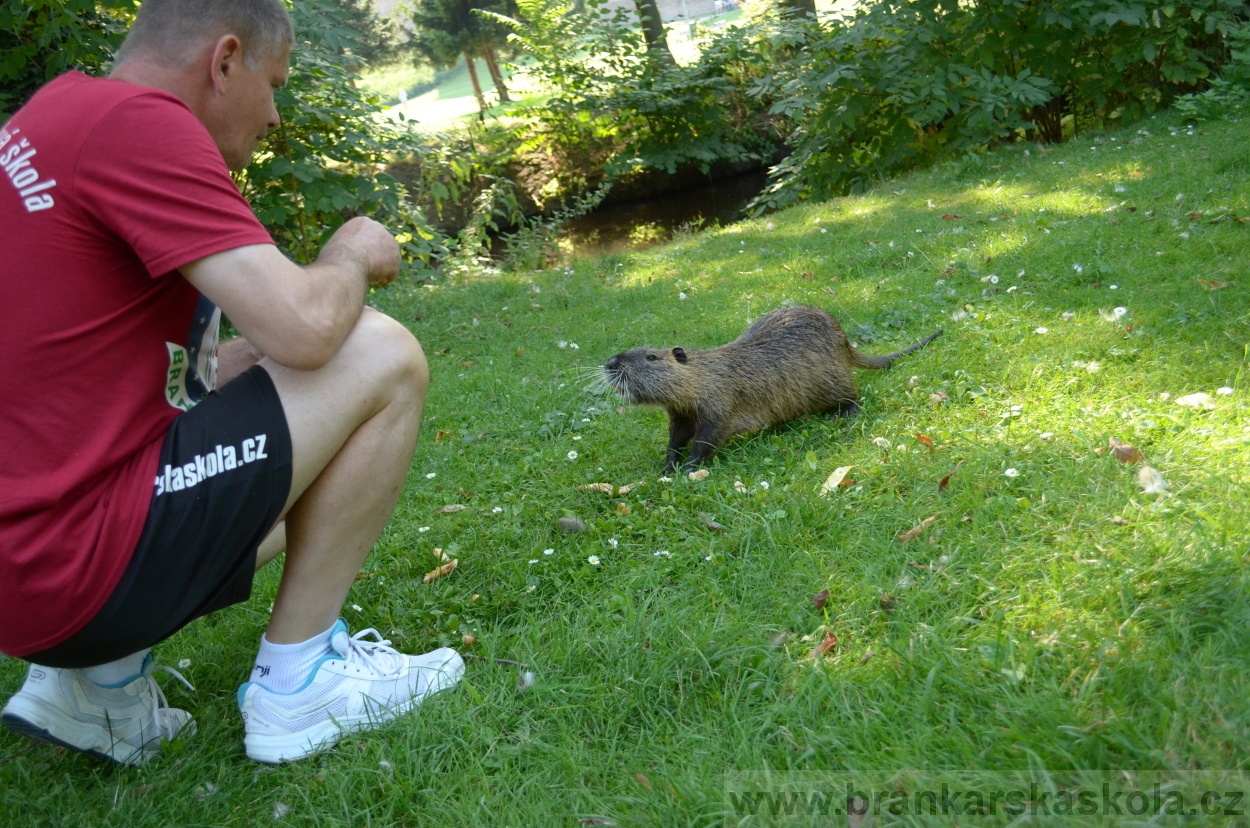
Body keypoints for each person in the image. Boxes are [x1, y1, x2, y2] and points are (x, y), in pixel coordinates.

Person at [0, 0, 463, 766]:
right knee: (378, 352)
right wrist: (348, 252)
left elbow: (88, 366)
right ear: (224, 62)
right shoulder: (138, 124)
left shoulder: (50, 117)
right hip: (73, 567)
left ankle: (94, 687)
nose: (276, 115)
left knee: (299, 480)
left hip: (27, 573)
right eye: (273, 83)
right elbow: (307, 332)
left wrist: (244, 363)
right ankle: (300, 685)